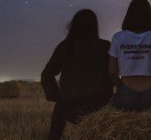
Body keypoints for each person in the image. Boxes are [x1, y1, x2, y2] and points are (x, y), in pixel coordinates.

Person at [41, 9, 113, 140]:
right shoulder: (106, 46)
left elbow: (46, 75)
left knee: (56, 125)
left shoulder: (65, 46)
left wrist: (58, 98)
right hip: (100, 106)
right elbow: (113, 75)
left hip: (70, 107)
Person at [108, 0, 151, 111]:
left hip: (126, 89)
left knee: (124, 128)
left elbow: (112, 72)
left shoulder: (118, 37)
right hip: (150, 90)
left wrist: (121, 87)